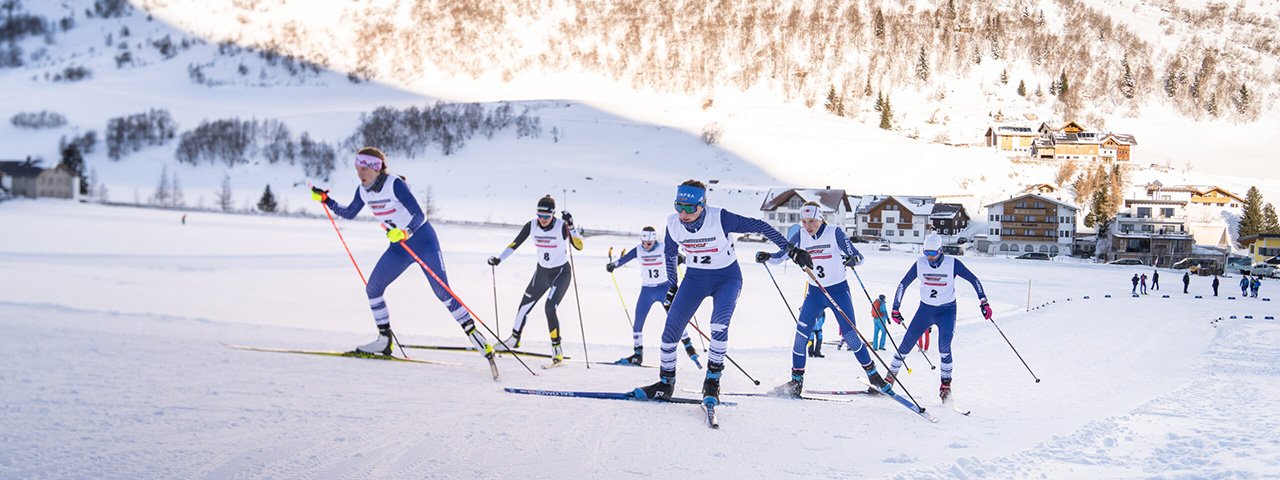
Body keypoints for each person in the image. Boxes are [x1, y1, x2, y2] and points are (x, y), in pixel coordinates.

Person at [311, 147, 494, 363]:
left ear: (377, 168)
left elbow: (418, 214)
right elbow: (349, 213)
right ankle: (384, 339)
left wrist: (406, 231)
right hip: (399, 247)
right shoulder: (362, 191)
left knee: (442, 291)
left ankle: (474, 335)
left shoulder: (393, 184)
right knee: (373, 288)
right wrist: (326, 200)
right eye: (357, 167)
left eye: (364, 168)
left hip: (423, 240)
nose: (360, 173)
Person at [633, 180, 797, 406]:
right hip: (694, 280)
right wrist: (673, 286)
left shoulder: (720, 217)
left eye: (690, 208)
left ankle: (712, 382)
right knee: (670, 331)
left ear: (703, 204)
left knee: (718, 325)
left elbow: (760, 226)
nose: (684, 213)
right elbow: (670, 255)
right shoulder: (673, 224)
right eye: (678, 206)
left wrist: (790, 248)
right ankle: (665, 383)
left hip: (726, 278)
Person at [761, 201, 889, 397]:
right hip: (814, 294)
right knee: (800, 338)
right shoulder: (801, 236)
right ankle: (796, 383)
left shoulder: (834, 233)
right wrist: (766, 257)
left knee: (851, 337)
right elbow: (780, 256)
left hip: (838, 292)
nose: (808, 226)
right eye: (804, 221)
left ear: (820, 218)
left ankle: (874, 376)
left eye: (811, 221)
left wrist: (853, 260)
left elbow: (859, 256)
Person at [887, 233, 990, 402]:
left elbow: (974, 279)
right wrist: (895, 308)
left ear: (941, 251)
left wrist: (983, 302)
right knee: (906, 344)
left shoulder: (952, 264)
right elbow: (902, 284)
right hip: (925, 310)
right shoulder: (920, 263)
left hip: (947, 311)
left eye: (933, 253)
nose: (929, 257)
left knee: (944, 347)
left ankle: (946, 385)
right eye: (926, 252)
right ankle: (890, 377)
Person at [487, 195, 584, 365]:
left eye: (546, 216)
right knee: (524, 305)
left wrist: (572, 226)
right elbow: (514, 244)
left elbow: (579, 246)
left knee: (549, 307)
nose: (543, 219)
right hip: (541, 273)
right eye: (540, 215)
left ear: (553, 214)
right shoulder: (531, 225)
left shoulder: (562, 226)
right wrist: (499, 259)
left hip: (561, 273)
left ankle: (556, 347)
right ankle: (514, 339)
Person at [605, 227, 700, 366]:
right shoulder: (639, 250)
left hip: (664, 289)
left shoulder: (663, 248)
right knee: (637, 323)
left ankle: (689, 347)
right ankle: (638, 355)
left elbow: (684, 259)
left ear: (654, 240)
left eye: (649, 243)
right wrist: (613, 265)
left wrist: (682, 259)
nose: (646, 246)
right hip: (647, 291)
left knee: (675, 319)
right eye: (643, 242)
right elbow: (623, 260)